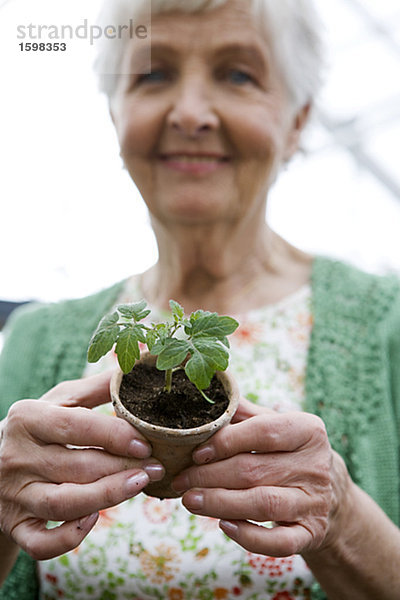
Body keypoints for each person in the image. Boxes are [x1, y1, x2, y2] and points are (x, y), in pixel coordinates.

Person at [1, 0, 400, 598]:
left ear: (297, 121)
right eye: (153, 74)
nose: (190, 112)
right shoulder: (35, 344)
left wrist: (341, 517)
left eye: (238, 74)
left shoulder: (388, 325)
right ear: (116, 116)